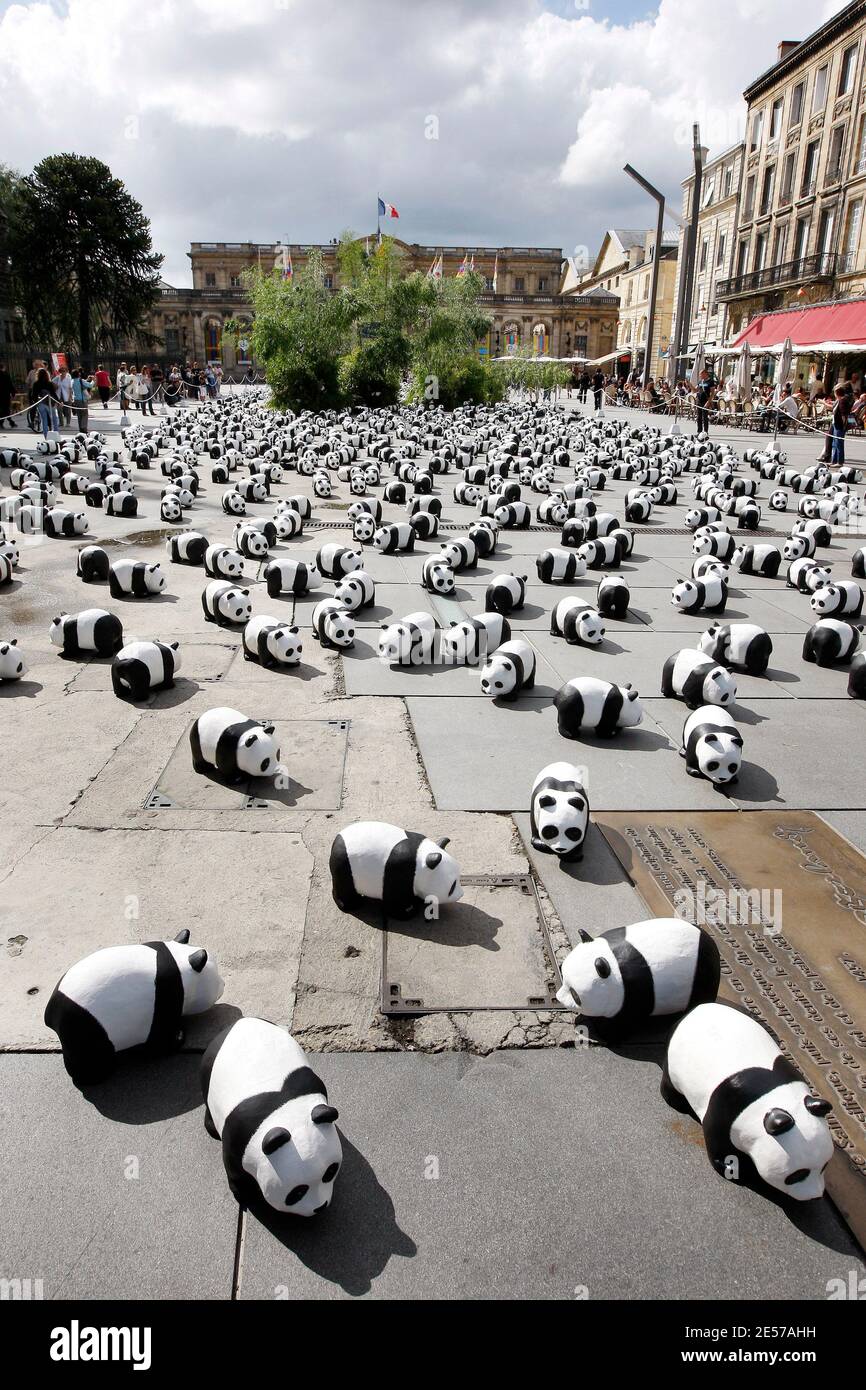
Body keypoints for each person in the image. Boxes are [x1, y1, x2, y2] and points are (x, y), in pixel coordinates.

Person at [31, 367, 60, 437]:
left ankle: (46, 436)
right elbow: (53, 393)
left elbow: (33, 395)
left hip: (40, 403)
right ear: (47, 374)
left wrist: (35, 402)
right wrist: (58, 401)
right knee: (54, 418)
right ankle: (56, 433)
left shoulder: (36, 383)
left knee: (44, 420)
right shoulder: (49, 383)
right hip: (49, 403)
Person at [71, 367, 94, 434]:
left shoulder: (72, 381)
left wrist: (86, 380)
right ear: (78, 374)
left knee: (79, 415)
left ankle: (80, 428)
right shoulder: (81, 380)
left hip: (75, 400)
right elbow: (90, 385)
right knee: (84, 414)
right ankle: (84, 428)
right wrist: (92, 380)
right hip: (82, 400)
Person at [831, 385, 849, 465]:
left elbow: (843, 415)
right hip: (836, 424)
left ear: (837, 393)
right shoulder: (839, 400)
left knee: (839, 444)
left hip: (839, 425)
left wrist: (844, 425)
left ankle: (840, 462)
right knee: (835, 443)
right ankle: (834, 461)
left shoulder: (842, 401)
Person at [53, 362, 74, 426]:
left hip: (67, 396)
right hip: (59, 396)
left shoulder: (68, 378)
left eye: (64, 371)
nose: (63, 372)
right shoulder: (58, 378)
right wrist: (55, 386)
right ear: (60, 371)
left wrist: (70, 396)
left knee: (68, 410)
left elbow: (70, 388)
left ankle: (68, 423)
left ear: (67, 371)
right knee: (59, 410)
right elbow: (51, 382)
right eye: (62, 371)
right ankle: (61, 423)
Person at [695, 368, 714, 435]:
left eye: (701, 374)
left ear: (705, 374)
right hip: (699, 401)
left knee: (705, 417)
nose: (700, 375)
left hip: (705, 401)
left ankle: (705, 431)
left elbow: (712, 393)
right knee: (699, 417)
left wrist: (708, 402)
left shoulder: (710, 382)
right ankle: (699, 431)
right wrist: (689, 384)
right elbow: (695, 390)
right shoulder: (700, 382)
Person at [0, 361, 16, 427]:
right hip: (5, 395)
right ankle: (10, 421)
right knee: (6, 409)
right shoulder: (5, 375)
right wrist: (13, 393)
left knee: (2, 409)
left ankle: (4, 422)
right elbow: (10, 384)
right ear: (3, 367)